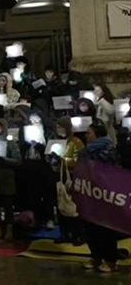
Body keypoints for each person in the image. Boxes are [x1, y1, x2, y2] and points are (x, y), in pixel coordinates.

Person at [80, 124, 122, 273]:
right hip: (88, 192)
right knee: (90, 227)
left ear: (97, 134)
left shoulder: (108, 150)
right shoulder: (86, 150)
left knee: (105, 228)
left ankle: (110, 260)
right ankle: (95, 256)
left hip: (104, 194)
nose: (86, 135)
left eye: (89, 132)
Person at [50, 116, 85, 246]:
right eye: (57, 127)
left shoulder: (76, 142)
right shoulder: (55, 142)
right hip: (58, 176)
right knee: (60, 205)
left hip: (72, 176)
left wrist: (62, 160)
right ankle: (64, 232)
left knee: (73, 206)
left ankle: (78, 234)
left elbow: (78, 161)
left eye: (61, 127)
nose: (59, 130)